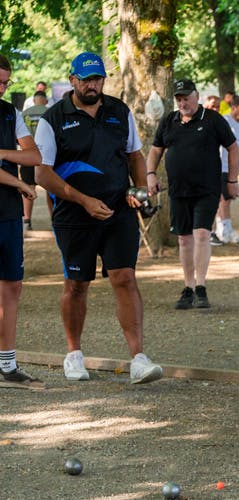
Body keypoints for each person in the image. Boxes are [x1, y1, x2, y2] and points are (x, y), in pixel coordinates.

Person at [34, 52, 163, 383]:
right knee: (77, 284)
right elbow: (42, 175)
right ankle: (74, 354)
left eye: (98, 79)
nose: (93, 86)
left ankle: (138, 358)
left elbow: (134, 155)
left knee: (125, 277)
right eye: (86, 80)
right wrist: (82, 199)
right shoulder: (53, 119)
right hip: (73, 215)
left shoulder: (119, 112)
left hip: (118, 211)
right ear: (73, 80)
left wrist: (138, 189)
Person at [146, 79, 239, 309]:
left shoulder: (212, 119)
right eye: (178, 99)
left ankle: (201, 286)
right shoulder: (169, 121)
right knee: (184, 239)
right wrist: (150, 174)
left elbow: (233, 147)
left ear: (196, 96)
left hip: (207, 189)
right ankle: (187, 287)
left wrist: (233, 179)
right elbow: (156, 149)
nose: (182, 102)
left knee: (201, 235)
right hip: (179, 190)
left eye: (186, 97)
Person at [0, 54, 43, 386]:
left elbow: (34, 155)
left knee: (12, 285)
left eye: (6, 82)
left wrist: (2, 154)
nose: (2, 88)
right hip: (12, 197)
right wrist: (19, 183)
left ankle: (7, 364)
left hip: (9, 214)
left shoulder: (9, 112)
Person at [214, 95, 239, 245]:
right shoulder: (224, 121)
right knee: (223, 200)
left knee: (227, 200)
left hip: (232, 170)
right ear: (233, 107)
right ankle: (223, 231)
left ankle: (224, 230)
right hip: (222, 168)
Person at [20, 90, 49, 229]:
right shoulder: (51, 112)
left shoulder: (25, 114)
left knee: (27, 187)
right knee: (52, 188)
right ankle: (54, 219)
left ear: (34, 100)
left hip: (28, 155)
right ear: (46, 100)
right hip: (48, 156)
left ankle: (27, 220)